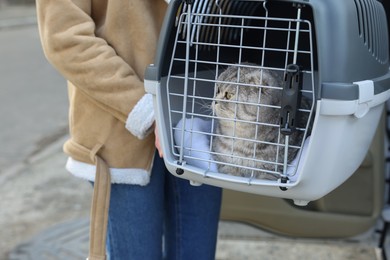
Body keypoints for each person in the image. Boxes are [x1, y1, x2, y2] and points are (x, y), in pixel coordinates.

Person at [35, 1, 222, 259]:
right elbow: (65, 38)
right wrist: (146, 111)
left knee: (198, 252)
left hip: (198, 117)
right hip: (120, 130)